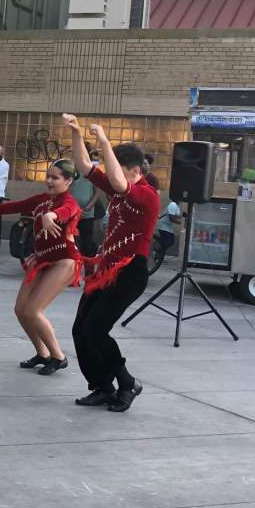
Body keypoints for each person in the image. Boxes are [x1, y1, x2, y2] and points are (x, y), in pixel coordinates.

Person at [64, 114, 159, 414]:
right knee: (80, 328)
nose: (112, 172)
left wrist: (104, 141)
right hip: (105, 270)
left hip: (130, 272)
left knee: (96, 328)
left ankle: (127, 383)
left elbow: (117, 180)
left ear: (135, 170)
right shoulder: (118, 188)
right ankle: (103, 387)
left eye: (118, 166)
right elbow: (84, 167)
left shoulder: (147, 195)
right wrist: (77, 133)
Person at [0, 159, 83, 376]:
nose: (49, 181)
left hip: (64, 261)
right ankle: (42, 354)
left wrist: (51, 215)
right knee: (21, 310)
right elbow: (16, 206)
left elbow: (66, 211)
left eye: (55, 178)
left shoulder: (69, 201)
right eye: (48, 176)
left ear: (68, 181)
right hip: (42, 260)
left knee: (33, 311)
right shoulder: (42, 200)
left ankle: (59, 357)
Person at [70, 150, 105, 258]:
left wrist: (90, 205)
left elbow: (98, 191)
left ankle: (88, 264)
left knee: (87, 243)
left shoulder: (91, 171)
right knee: (70, 242)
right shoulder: (70, 169)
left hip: (86, 213)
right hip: (70, 212)